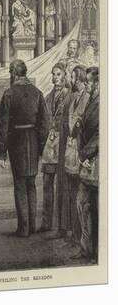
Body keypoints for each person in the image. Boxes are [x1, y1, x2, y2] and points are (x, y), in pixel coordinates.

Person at [0, 59, 49, 237]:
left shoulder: (9, 93)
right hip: (34, 141)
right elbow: (44, 123)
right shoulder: (37, 92)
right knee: (31, 184)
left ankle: (23, 228)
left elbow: (3, 125)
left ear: (12, 73)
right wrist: (42, 148)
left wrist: (1, 152)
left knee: (20, 185)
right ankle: (32, 226)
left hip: (17, 142)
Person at [40, 63, 70, 235]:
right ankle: (46, 223)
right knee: (47, 183)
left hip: (63, 143)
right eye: (53, 74)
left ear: (64, 75)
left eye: (58, 74)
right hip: (49, 145)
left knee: (62, 186)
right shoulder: (48, 96)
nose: (55, 77)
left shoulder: (69, 96)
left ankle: (62, 226)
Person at [73, 67, 99, 262]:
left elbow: (100, 134)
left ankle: (96, 252)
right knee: (82, 204)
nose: (86, 84)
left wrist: (84, 153)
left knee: (95, 208)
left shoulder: (102, 102)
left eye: (89, 81)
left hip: (96, 163)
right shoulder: (91, 100)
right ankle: (86, 250)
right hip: (88, 162)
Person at [64, 65, 90, 247]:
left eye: (73, 78)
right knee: (73, 192)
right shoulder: (74, 97)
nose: (72, 81)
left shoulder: (86, 98)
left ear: (80, 80)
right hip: (71, 148)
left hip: (80, 149)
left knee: (80, 195)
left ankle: (80, 237)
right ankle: (74, 235)